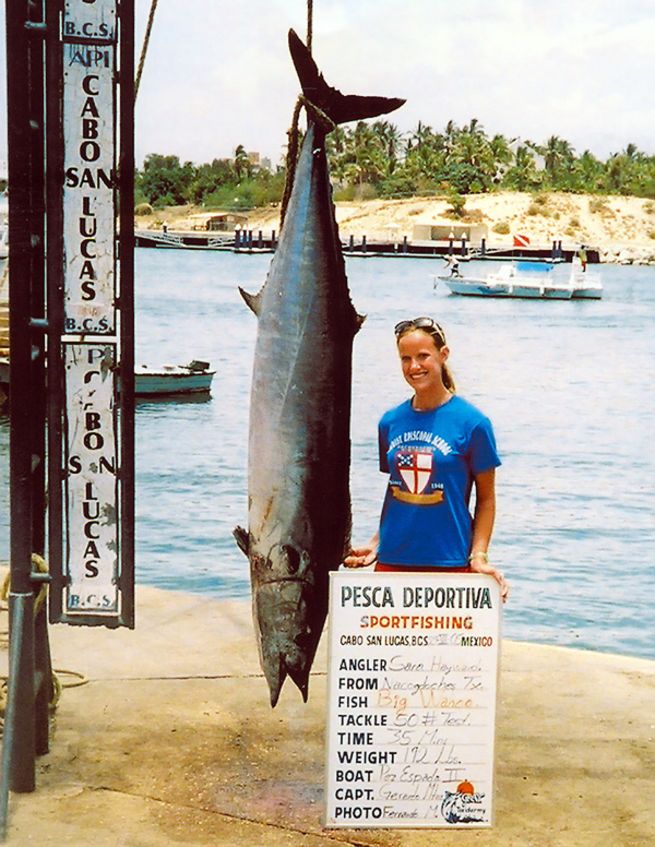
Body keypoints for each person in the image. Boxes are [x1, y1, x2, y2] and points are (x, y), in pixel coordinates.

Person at [344, 316, 509, 601]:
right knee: (390, 646)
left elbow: (487, 500)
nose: (414, 366)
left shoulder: (473, 423)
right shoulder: (390, 422)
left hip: (450, 563)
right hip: (393, 561)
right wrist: (376, 543)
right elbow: (400, 495)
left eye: (423, 356)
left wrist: (479, 555)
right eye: (405, 358)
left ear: (443, 355)